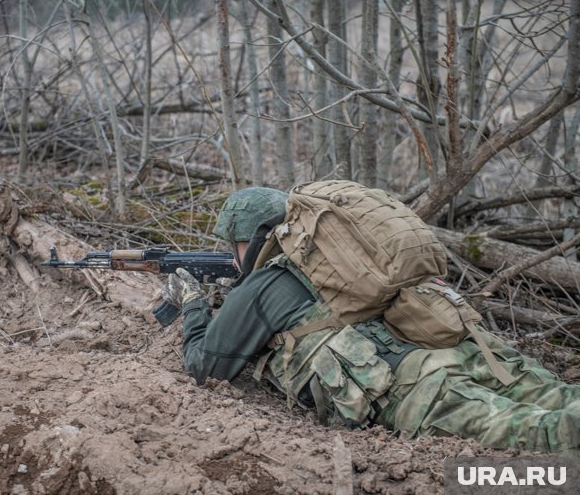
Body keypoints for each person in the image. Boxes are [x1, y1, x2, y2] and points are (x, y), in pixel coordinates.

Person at [161, 186, 580, 455]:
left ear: (251, 240)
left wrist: (194, 302)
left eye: (232, 245)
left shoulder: (265, 285)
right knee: (562, 399)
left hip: (418, 391)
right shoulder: (344, 260)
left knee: (543, 437)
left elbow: (204, 366)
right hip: (464, 350)